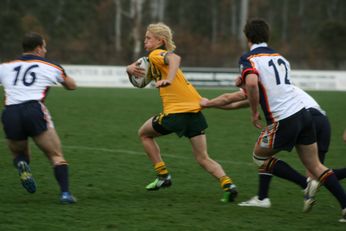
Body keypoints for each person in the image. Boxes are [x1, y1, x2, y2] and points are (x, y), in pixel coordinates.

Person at [230, 18, 346, 222]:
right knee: (316, 166)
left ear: (247, 37)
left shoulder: (248, 58)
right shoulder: (281, 57)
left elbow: (252, 84)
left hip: (284, 119)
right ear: (268, 36)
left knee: (260, 158)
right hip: (304, 114)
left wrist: (254, 112)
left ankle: (303, 182)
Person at [126, 22, 237, 202]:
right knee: (202, 158)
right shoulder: (154, 60)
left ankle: (163, 176)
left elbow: (175, 59)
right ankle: (227, 184)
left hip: (176, 114)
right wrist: (128, 69)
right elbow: (140, 73)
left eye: (148, 38)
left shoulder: (156, 55)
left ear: (159, 41)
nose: (144, 40)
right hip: (195, 113)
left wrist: (168, 80)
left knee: (144, 134)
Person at [201, 82, 346, 211]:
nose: (240, 86)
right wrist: (215, 106)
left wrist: (207, 103)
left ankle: (265, 197)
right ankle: (341, 204)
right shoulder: (281, 86)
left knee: (263, 153)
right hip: (321, 120)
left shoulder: (261, 84)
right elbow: (237, 104)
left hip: (298, 119)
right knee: (318, 172)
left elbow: (230, 98)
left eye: (241, 83)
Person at [0, 32, 77, 204]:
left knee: (19, 152)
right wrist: (63, 78)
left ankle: (22, 165)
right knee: (56, 155)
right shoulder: (50, 66)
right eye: (44, 47)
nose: (45, 50)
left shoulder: (5, 66)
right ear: (38, 48)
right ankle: (65, 193)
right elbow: (72, 86)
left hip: (10, 112)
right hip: (33, 110)